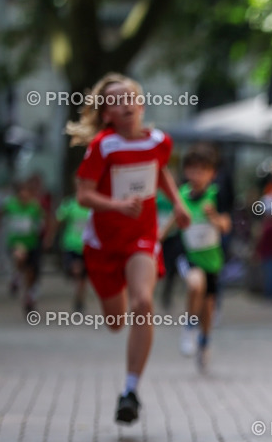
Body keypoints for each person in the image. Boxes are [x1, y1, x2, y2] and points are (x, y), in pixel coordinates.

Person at [67, 72, 191, 424]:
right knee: (115, 321)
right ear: (106, 113)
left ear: (141, 105)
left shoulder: (159, 141)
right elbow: (83, 195)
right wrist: (118, 205)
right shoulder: (103, 146)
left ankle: (130, 391)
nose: (125, 104)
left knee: (143, 303)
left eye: (130, 98)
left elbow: (159, 171)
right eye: (115, 101)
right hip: (103, 243)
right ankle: (118, 290)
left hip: (142, 236)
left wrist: (178, 203)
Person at [161, 143, 231, 372]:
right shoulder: (181, 195)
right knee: (194, 284)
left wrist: (214, 218)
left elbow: (226, 225)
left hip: (211, 258)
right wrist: (157, 239)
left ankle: (204, 341)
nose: (197, 175)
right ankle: (189, 327)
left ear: (212, 173)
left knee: (208, 307)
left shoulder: (216, 196)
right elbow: (172, 221)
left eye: (202, 170)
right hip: (188, 254)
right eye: (192, 169)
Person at [0, 180, 45, 315]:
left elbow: (43, 220)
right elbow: (0, 215)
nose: (24, 195)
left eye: (27, 193)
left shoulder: (35, 206)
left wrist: (43, 232)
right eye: (21, 192)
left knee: (31, 272)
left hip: (32, 242)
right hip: (16, 241)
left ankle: (28, 296)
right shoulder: (10, 205)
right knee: (20, 255)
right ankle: (16, 276)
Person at [55, 189, 92, 312]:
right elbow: (58, 219)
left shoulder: (93, 206)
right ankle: (78, 294)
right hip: (71, 245)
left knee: (83, 278)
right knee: (77, 270)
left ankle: (79, 298)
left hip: (87, 247)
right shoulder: (69, 204)